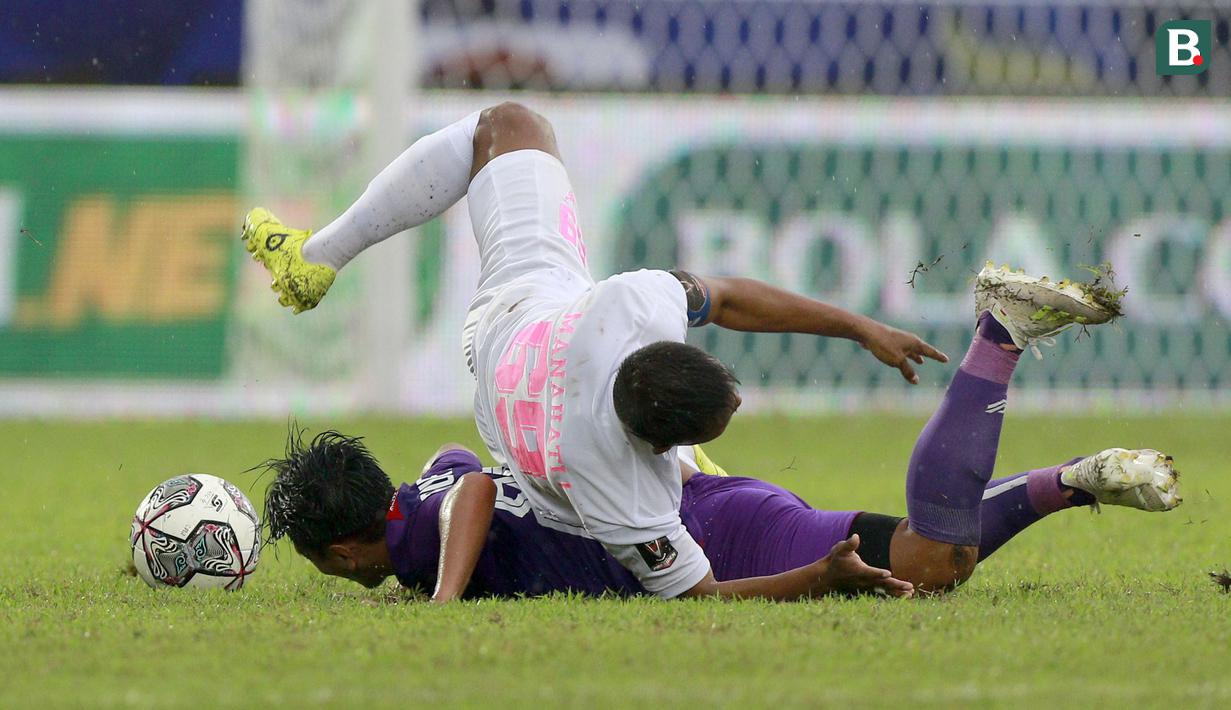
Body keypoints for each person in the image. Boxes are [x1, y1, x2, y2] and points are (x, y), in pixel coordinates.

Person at [243, 103, 1134, 599]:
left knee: (508, 125)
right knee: (932, 564)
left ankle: (316, 256)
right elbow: (699, 602)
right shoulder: (609, 479)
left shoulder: (627, 308)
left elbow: (731, 296)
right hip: (540, 370)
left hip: (528, 310)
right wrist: (815, 581)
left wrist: (855, 323)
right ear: (658, 445)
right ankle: (1011, 360)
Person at [260, 268, 1180, 600]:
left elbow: (468, 488)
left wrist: (445, 601)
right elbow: (460, 471)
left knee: (930, 562)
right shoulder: (632, 308)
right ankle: (1076, 479)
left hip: (713, 529)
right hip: (701, 498)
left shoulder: (412, 535)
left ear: (343, 550)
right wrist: (857, 326)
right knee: (924, 555)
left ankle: (998, 334)